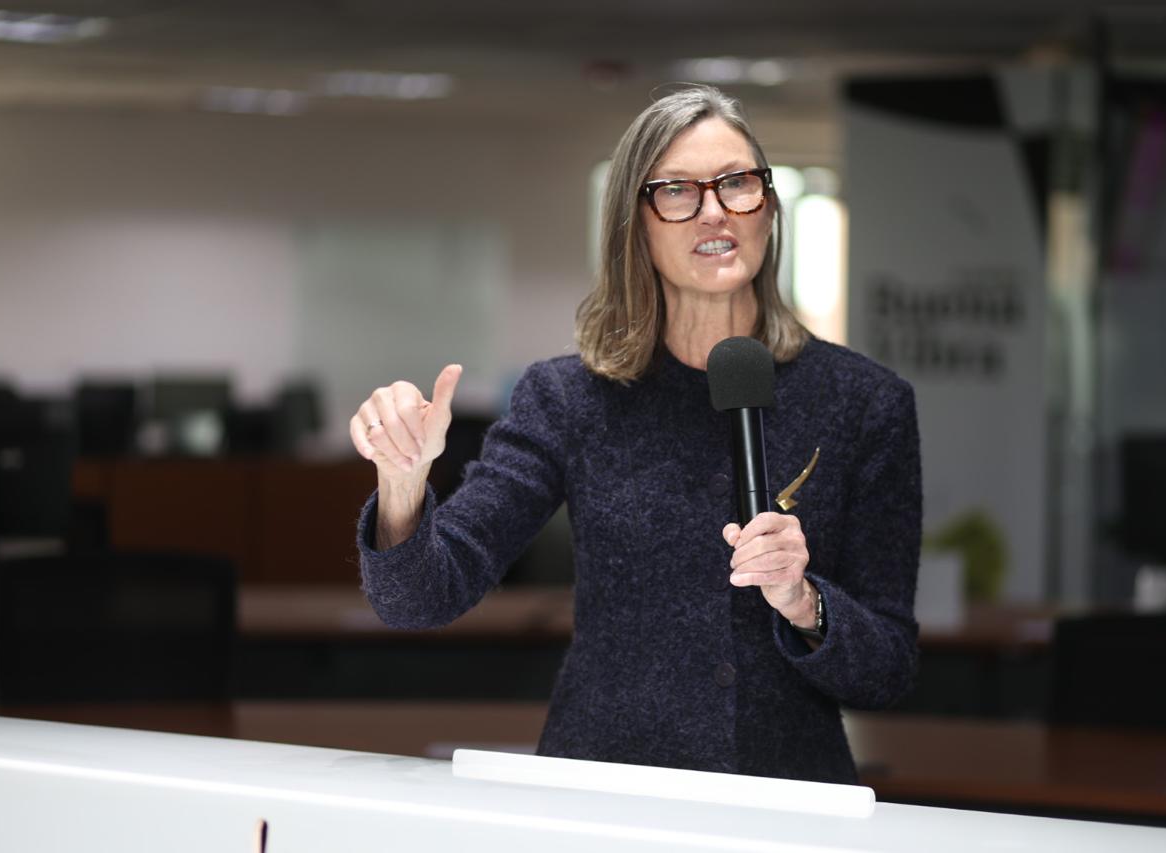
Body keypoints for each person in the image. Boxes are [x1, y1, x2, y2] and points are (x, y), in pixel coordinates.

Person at [350, 85, 921, 784]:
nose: (714, 210)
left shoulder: (865, 403)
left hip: (785, 795)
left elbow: (889, 666)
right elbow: (420, 598)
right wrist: (402, 483)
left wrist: (806, 601)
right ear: (636, 223)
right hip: (604, 790)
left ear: (768, 206)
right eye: (678, 191)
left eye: (737, 183)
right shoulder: (567, 398)